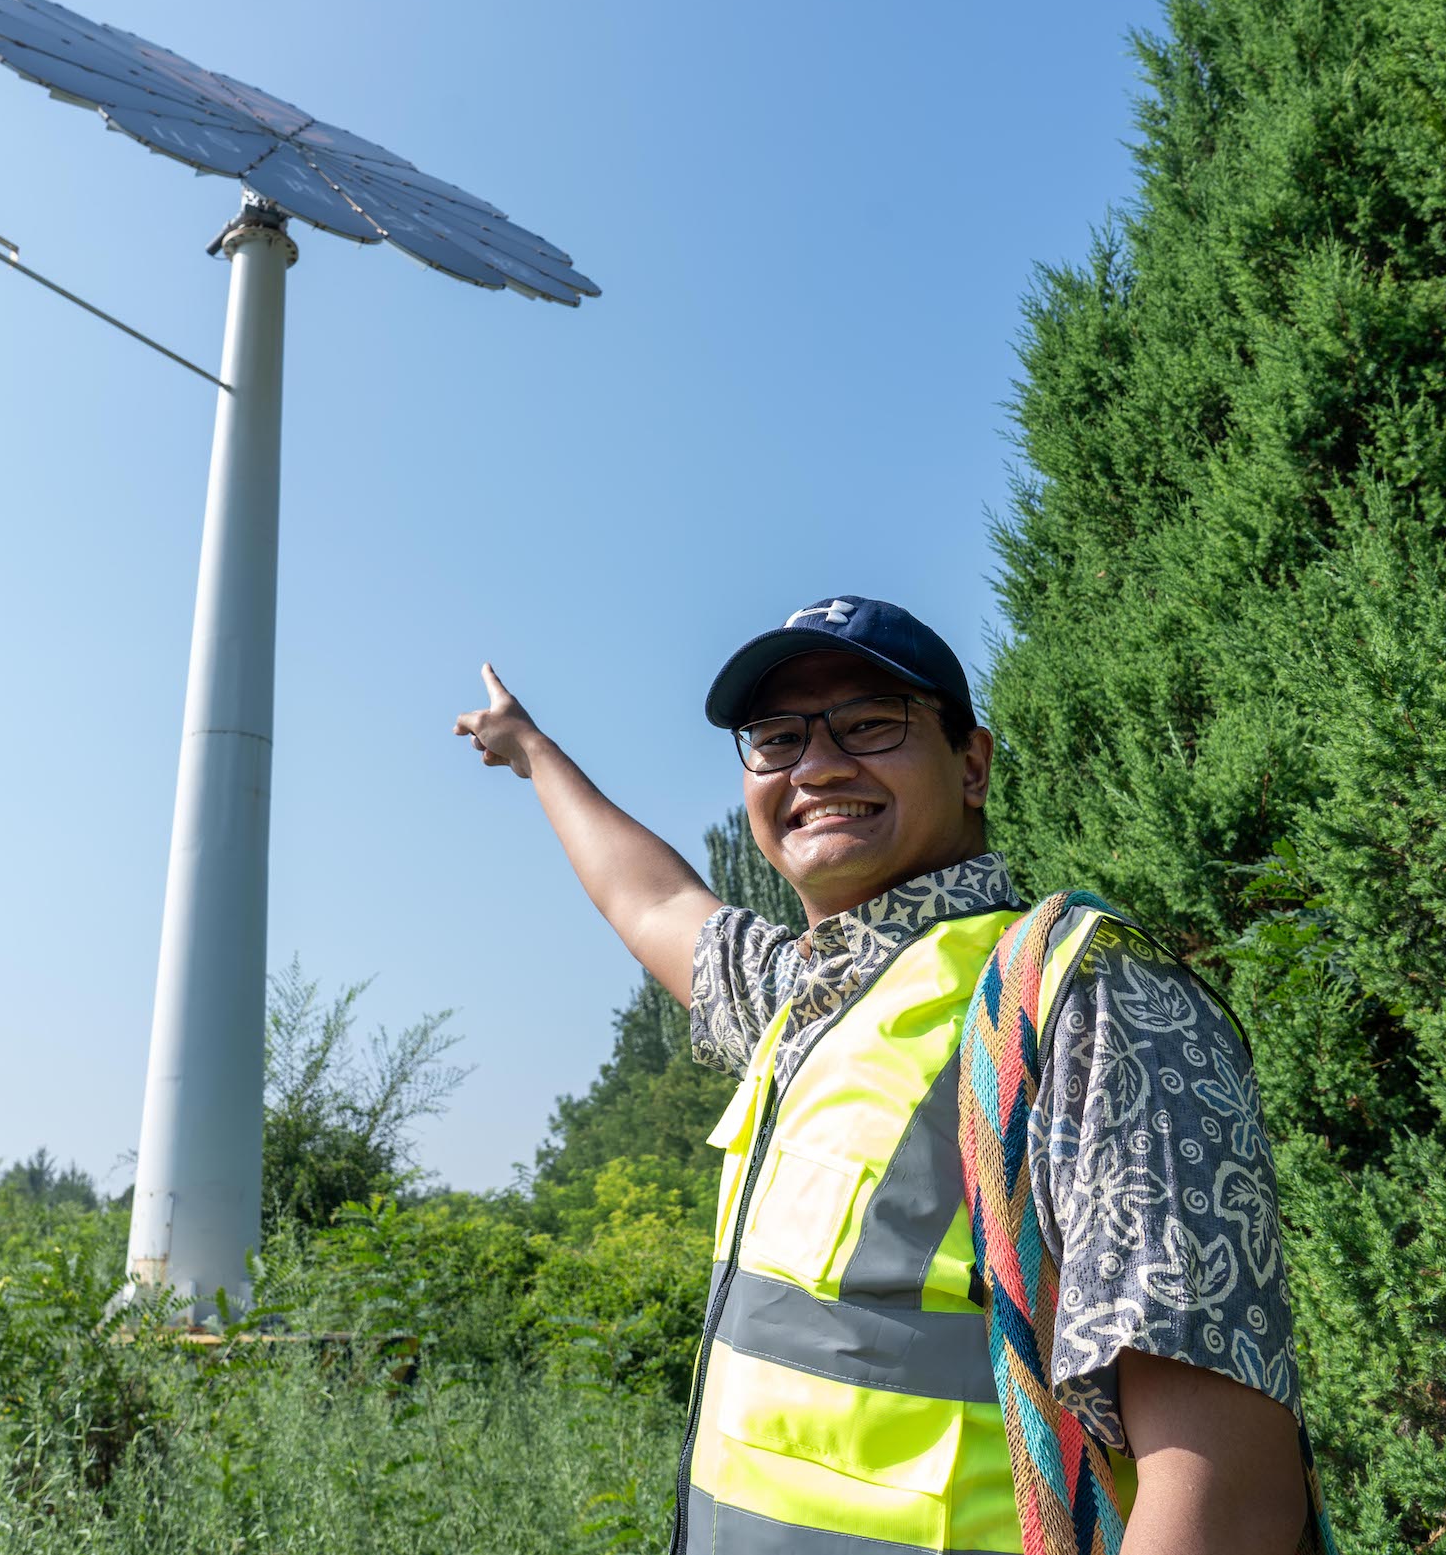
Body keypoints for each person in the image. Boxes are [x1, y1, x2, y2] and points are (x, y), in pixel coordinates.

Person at [456, 596, 1330, 1555]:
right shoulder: (805, 999)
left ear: (972, 764)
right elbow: (656, 898)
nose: (819, 765)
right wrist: (529, 750)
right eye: (778, 736)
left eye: (871, 722)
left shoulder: (1083, 996)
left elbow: (1230, 1500)